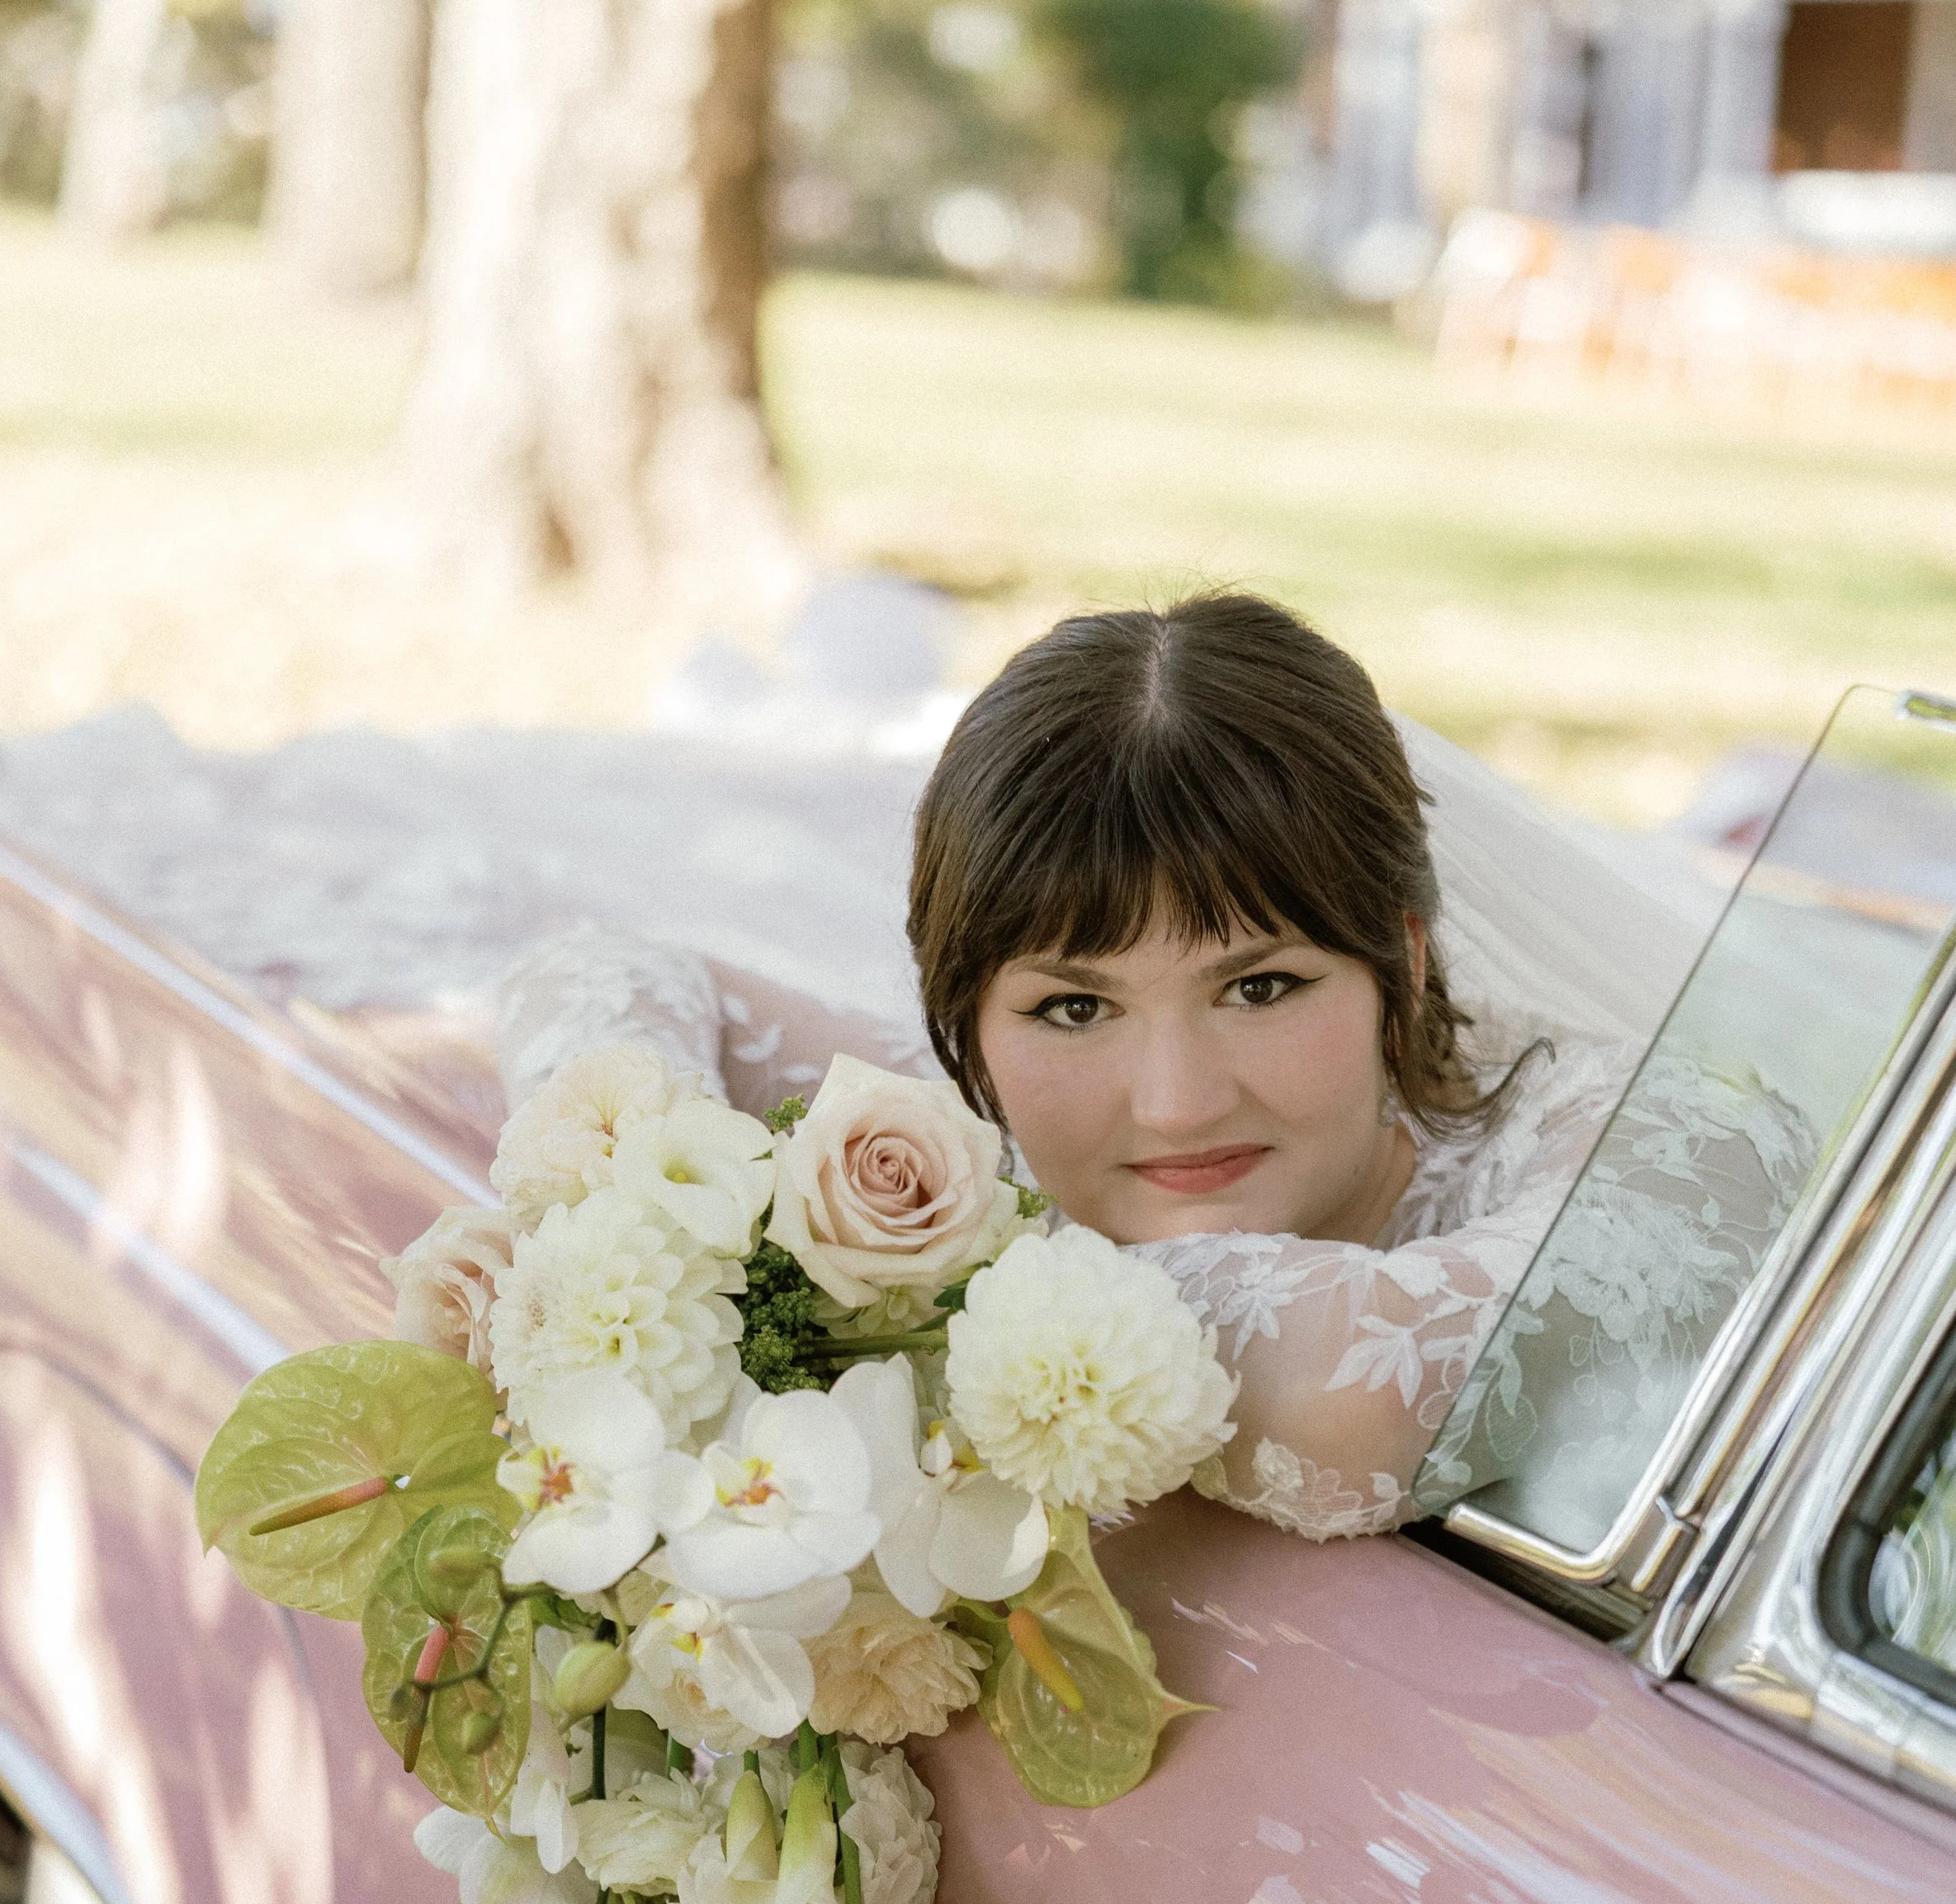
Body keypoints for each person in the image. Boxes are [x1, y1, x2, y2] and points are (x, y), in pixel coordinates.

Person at [489, 593, 1787, 1543]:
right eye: (1071, 1008)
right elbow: (606, 974)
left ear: (1401, 959)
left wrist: (880, 1298)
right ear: (969, 1021)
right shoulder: (978, 1152)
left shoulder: (1656, 1143)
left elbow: (1351, 1395)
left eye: (1261, 987)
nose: (1174, 1101)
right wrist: (641, 1227)